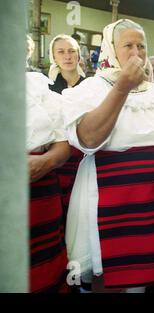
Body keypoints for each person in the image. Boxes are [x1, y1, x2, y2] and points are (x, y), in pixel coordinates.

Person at [62, 19, 154, 293]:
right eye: (128, 45)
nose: (137, 53)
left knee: (144, 264)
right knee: (113, 262)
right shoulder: (91, 89)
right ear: (110, 49)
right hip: (111, 193)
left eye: (141, 46)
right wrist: (122, 87)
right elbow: (89, 139)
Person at [25, 35, 72, 293]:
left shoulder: (39, 89)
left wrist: (43, 162)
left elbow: (62, 146)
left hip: (39, 189)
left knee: (41, 268)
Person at [47, 35, 86, 217]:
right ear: (54, 57)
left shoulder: (90, 85)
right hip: (59, 153)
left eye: (71, 51)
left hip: (85, 152)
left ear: (78, 55)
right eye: (61, 52)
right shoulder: (47, 88)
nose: (67, 56)